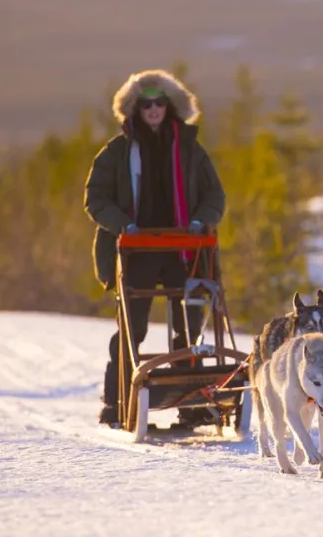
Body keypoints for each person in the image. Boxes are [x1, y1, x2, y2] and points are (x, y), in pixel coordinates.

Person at [84, 68, 226, 429]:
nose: (152, 109)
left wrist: (200, 221)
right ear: (133, 108)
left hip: (184, 251)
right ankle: (116, 402)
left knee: (188, 328)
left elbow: (214, 196)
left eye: (159, 102)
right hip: (136, 251)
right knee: (135, 328)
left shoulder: (190, 150)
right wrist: (122, 225)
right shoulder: (117, 152)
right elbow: (95, 198)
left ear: (170, 106)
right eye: (144, 104)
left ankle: (191, 404)